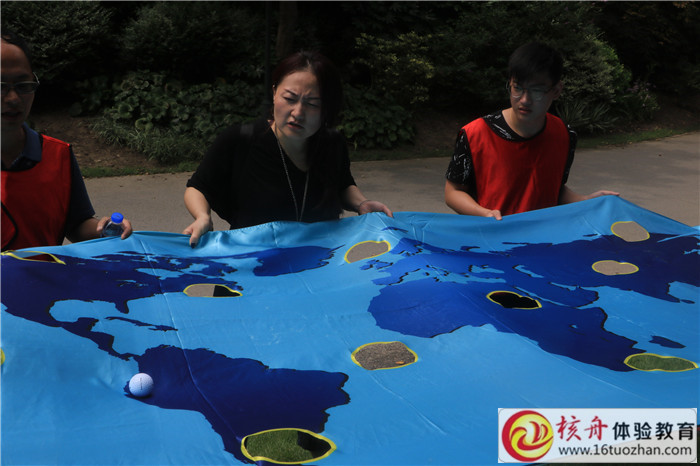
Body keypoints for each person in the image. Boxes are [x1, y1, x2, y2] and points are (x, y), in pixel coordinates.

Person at [184, 50, 392, 246]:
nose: (298, 113)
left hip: (318, 263)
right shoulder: (240, 140)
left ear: (326, 108)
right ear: (274, 93)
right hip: (252, 264)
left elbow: (342, 184)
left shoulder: (332, 142)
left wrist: (361, 203)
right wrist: (202, 217)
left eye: (312, 104)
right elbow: (198, 187)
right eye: (290, 98)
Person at [444, 41, 618, 220]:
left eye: (537, 91)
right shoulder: (475, 134)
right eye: (518, 88)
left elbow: (553, 189)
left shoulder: (565, 135)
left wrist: (585, 201)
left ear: (556, 90)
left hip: (543, 235)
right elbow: (453, 192)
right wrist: (485, 214)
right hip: (493, 234)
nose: (525, 100)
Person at [1, 31, 133, 251]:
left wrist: (105, 230)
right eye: (0, 85)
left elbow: (76, 225)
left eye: (23, 85)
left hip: (45, 274)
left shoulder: (58, 155)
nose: (13, 98)